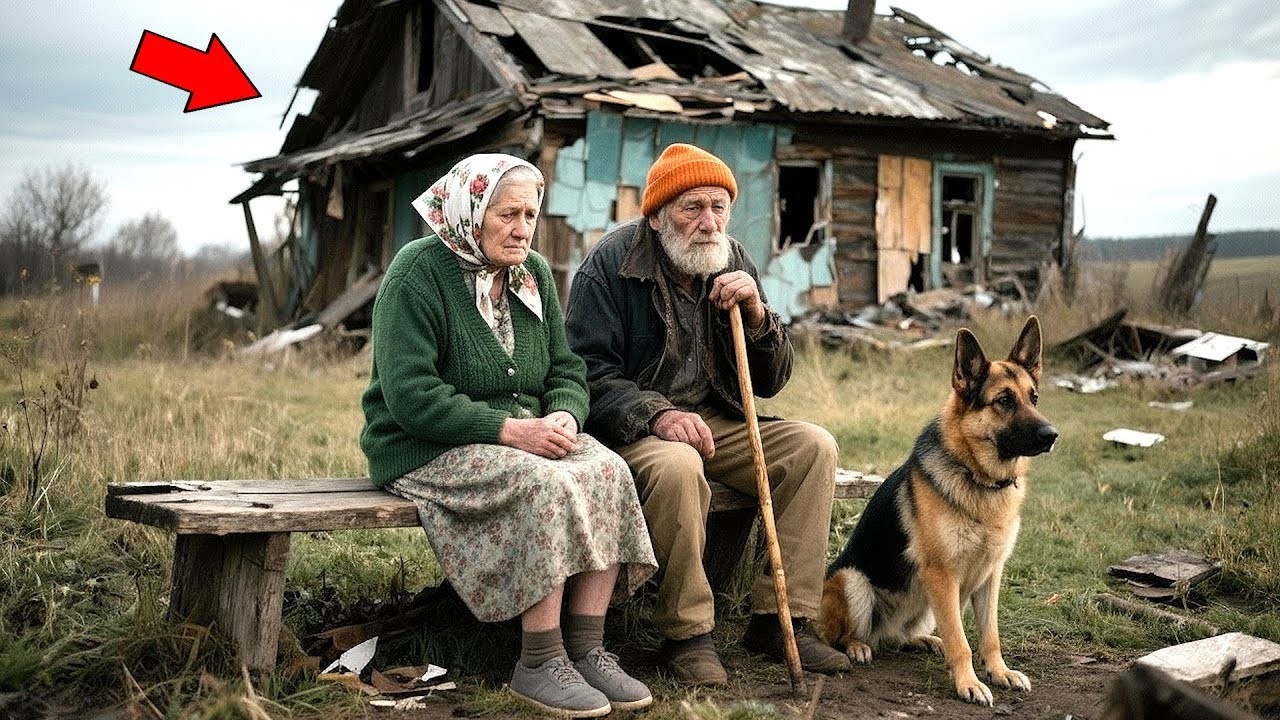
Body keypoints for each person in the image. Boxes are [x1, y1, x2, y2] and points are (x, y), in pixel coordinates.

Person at [360, 154, 658, 718]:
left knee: (609, 469)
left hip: (522, 432)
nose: (523, 229)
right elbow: (411, 396)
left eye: (530, 215)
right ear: (469, 213)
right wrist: (508, 430)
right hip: (425, 444)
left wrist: (566, 414)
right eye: (507, 215)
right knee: (544, 482)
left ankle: (587, 648)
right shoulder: (416, 273)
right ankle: (539, 659)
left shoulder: (532, 273)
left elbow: (566, 369)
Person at [564, 143, 850, 685]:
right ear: (656, 217)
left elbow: (770, 382)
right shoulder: (610, 265)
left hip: (714, 420)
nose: (709, 222)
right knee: (677, 467)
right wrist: (657, 415)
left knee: (814, 447)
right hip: (636, 429)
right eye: (692, 207)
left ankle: (781, 620)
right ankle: (687, 634)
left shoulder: (732, 258)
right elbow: (585, 373)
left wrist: (759, 317)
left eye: (719, 207)